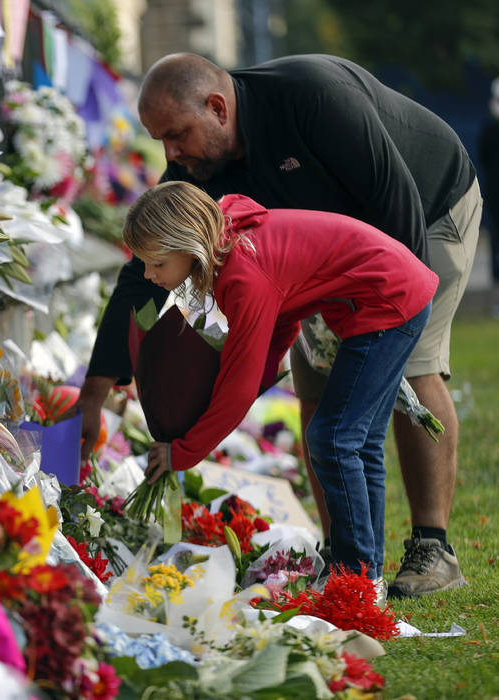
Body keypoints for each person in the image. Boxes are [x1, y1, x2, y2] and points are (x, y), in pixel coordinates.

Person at [78, 53, 481, 598]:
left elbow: (396, 204)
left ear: (217, 108)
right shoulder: (197, 182)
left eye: (175, 135)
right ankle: (349, 552)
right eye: (159, 141)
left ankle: (429, 549)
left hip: (422, 213)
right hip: (330, 270)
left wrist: (385, 339)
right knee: (318, 393)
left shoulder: (313, 98)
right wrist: (99, 386)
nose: (169, 154)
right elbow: (143, 278)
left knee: (410, 372)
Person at [127, 181, 435, 595]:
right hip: (387, 292)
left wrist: (181, 450)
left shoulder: (242, 272)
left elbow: (237, 386)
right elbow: (285, 316)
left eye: (156, 263)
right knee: (356, 441)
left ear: (185, 243)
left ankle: (358, 578)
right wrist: (250, 379)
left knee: (333, 437)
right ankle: (363, 572)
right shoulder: (232, 245)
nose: (149, 274)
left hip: (388, 300)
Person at [478, 78, 499, 286]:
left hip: (493, 191)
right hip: (494, 193)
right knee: (495, 236)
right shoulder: (489, 128)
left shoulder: (489, 128)